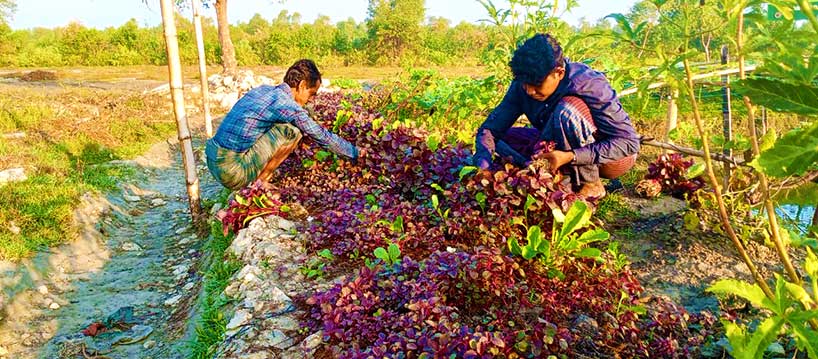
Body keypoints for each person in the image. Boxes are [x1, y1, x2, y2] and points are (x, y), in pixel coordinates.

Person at [472, 33, 640, 199]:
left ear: (558, 73)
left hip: (609, 158)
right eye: (525, 85)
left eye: (537, 85)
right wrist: (483, 167)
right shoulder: (523, 86)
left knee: (568, 110)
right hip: (559, 143)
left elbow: (629, 143)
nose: (530, 91)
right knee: (497, 140)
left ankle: (591, 183)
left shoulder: (588, 84)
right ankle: (555, 175)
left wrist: (570, 156)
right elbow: (490, 129)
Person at [206, 59, 358, 190]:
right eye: (311, 94)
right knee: (293, 131)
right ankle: (260, 183)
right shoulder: (285, 104)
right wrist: (354, 152)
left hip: (213, 160)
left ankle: (257, 178)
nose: (311, 100)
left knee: (283, 125)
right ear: (302, 85)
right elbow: (321, 135)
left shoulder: (263, 90)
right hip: (232, 171)